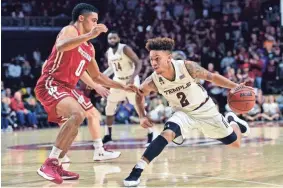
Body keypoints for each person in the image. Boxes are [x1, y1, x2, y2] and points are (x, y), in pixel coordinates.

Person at [123, 38, 251, 187]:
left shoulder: (187, 67)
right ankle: (137, 170)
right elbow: (139, 95)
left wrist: (235, 86)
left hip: (206, 110)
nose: (153, 63)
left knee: (235, 143)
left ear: (169, 58)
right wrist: (142, 116)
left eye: (157, 58)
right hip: (183, 113)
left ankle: (232, 120)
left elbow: (212, 77)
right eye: (151, 59)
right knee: (167, 133)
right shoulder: (152, 81)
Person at [35, 3, 138, 184]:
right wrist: (89, 35)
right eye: (94, 20)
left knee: (78, 122)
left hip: (67, 88)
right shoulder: (70, 30)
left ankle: (57, 163)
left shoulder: (89, 48)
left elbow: (97, 76)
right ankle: (49, 163)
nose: (96, 24)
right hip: (51, 83)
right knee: (78, 113)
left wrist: (123, 86)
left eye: (97, 21)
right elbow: (61, 47)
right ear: (81, 18)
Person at [102, 31, 154, 146]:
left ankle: (151, 133)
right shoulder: (108, 53)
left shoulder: (124, 48)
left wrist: (133, 77)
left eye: (114, 38)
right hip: (117, 80)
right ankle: (108, 135)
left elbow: (138, 63)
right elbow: (111, 69)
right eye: (110, 39)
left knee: (139, 107)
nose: (112, 40)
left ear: (118, 39)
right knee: (109, 107)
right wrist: (99, 77)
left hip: (130, 80)